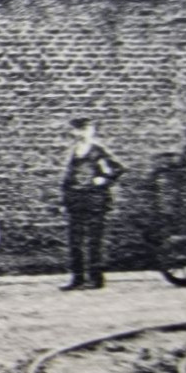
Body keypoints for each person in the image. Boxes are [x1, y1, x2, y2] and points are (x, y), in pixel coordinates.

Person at [61, 117, 125, 290]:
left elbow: (119, 168)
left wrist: (104, 179)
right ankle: (77, 278)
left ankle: (96, 278)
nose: (81, 133)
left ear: (91, 131)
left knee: (94, 241)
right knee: (75, 241)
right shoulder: (75, 151)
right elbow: (69, 176)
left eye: (86, 130)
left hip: (95, 200)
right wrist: (66, 196)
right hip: (76, 200)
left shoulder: (98, 150)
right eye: (78, 130)